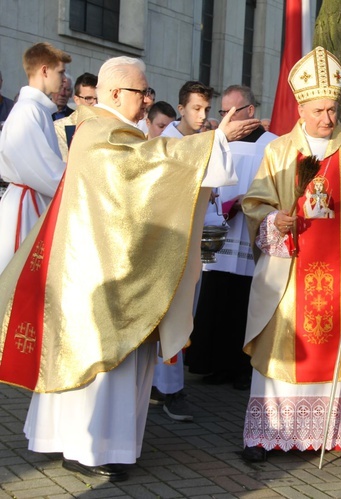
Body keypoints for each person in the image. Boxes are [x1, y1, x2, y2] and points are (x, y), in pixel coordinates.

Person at [0, 55, 255, 483]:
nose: (147, 98)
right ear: (117, 92)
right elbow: (145, 167)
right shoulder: (100, 131)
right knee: (103, 359)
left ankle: (86, 442)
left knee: (108, 360)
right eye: (143, 91)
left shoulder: (106, 128)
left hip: (105, 263)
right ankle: (89, 446)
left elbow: (147, 164)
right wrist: (215, 143)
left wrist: (212, 146)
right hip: (102, 273)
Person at [240, 46, 341, 462]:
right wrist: (275, 220)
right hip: (291, 272)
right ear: (301, 108)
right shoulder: (279, 152)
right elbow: (255, 205)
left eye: (332, 110)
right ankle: (270, 434)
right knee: (284, 343)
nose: (328, 119)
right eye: (319, 111)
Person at [187, 84, 274, 390]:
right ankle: (211, 363)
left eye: (231, 111)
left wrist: (251, 204)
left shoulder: (273, 146)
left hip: (252, 234)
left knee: (244, 299)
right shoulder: (218, 142)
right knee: (216, 294)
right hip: (220, 230)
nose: (225, 117)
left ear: (250, 111)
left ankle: (242, 367)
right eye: (222, 112)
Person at [152, 80, 217, 422]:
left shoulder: (204, 142)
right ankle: (170, 389)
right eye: (196, 108)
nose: (202, 115)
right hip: (168, 242)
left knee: (185, 316)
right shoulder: (166, 142)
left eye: (207, 109)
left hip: (195, 240)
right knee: (169, 314)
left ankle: (165, 384)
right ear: (181, 108)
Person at [0, 42, 70, 272]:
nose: (64, 78)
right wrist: (75, 182)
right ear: (44, 70)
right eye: (60, 72)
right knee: (16, 275)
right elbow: (41, 169)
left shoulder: (36, 109)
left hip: (33, 199)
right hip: (24, 206)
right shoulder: (27, 110)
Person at [54, 72, 98, 161]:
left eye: (98, 98)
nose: (95, 103)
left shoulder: (107, 124)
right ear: (77, 100)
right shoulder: (60, 127)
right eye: (88, 99)